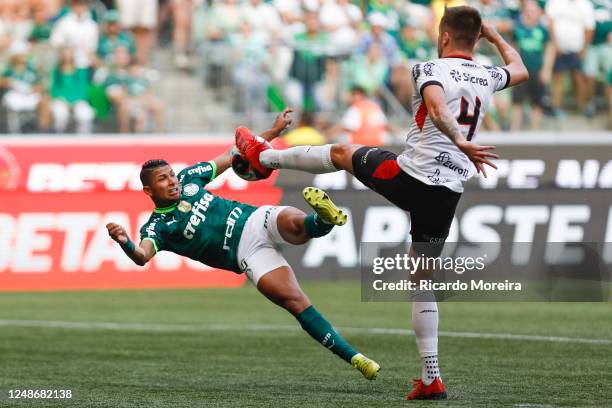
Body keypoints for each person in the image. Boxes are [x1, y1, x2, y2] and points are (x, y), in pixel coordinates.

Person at [235, 6, 528, 400]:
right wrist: (494, 36)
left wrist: (458, 139)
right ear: (476, 38)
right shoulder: (487, 75)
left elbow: (438, 107)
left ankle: (262, 157)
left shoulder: (430, 68)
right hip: (446, 194)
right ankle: (431, 376)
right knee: (421, 279)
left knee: (340, 152)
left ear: (443, 37)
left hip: (411, 177)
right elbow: (520, 68)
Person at [105, 113, 380, 381]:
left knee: (296, 226)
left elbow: (235, 154)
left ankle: (323, 219)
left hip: (252, 220)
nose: (173, 181)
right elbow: (142, 256)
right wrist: (125, 242)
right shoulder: (157, 227)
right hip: (246, 255)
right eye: (163, 179)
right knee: (294, 302)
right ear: (149, 191)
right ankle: (357, 358)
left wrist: (273, 132)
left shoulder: (190, 179)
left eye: (171, 175)